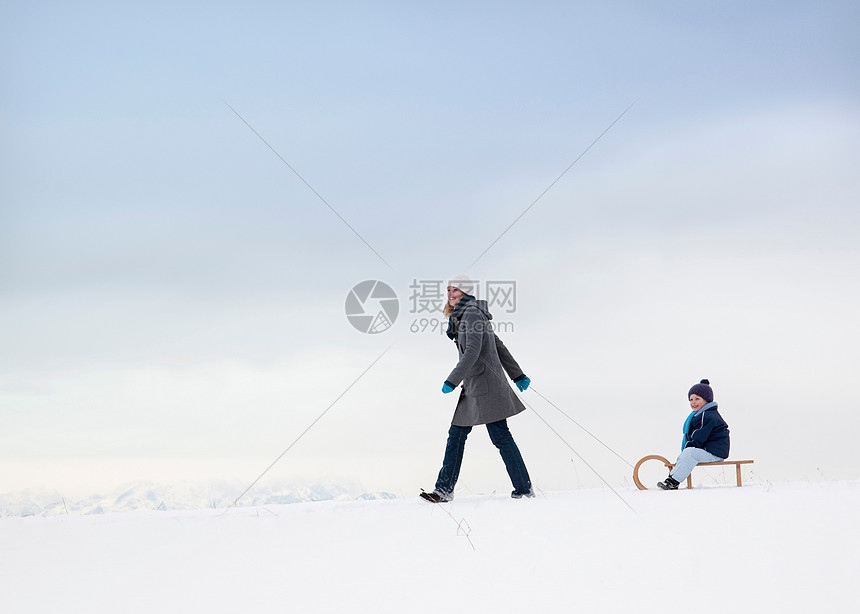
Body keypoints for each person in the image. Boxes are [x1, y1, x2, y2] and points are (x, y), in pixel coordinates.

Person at [421, 275, 533, 502]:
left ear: (465, 292)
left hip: (484, 386)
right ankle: (522, 488)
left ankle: (445, 490)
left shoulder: (471, 313)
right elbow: (497, 344)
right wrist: (517, 374)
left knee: (487, 436)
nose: (451, 294)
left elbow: (472, 350)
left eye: (456, 290)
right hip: (477, 384)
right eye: (449, 290)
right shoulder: (466, 314)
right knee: (469, 436)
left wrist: (452, 380)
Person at [657, 379, 730, 490]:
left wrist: (686, 450)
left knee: (690, 453)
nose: (693, 402)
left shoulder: (707, 416)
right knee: (688, 453)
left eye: (697, 399)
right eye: (691, 399)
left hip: (715, 452)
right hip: (709, 450)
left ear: (706, 400)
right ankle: (671, 479)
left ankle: (673, 481)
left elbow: (698, 437)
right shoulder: (701, 415)